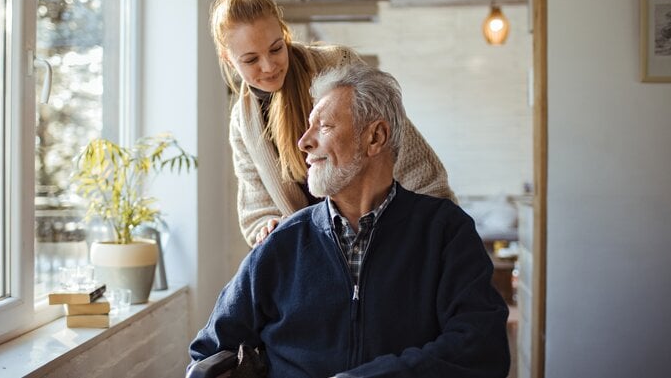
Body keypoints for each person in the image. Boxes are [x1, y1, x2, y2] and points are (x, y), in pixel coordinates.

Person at [189, 64, 511, 377]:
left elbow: (483, 347)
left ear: (375, 138)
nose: (304, 142)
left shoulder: (445, 232)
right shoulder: (282, 243)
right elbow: (207, 354)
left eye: (324, 127)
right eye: (308, 126)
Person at [209, 0, 456, 247]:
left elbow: (403, 151)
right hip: (319, 256)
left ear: (285, 33)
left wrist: (439, 228)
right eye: (251, 59)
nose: (268, 66)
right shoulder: (242, 124)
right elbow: (257, 210)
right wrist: (269, 227)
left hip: (387, 236)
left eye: (276, 48)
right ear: (227, 57)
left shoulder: (337, 66)